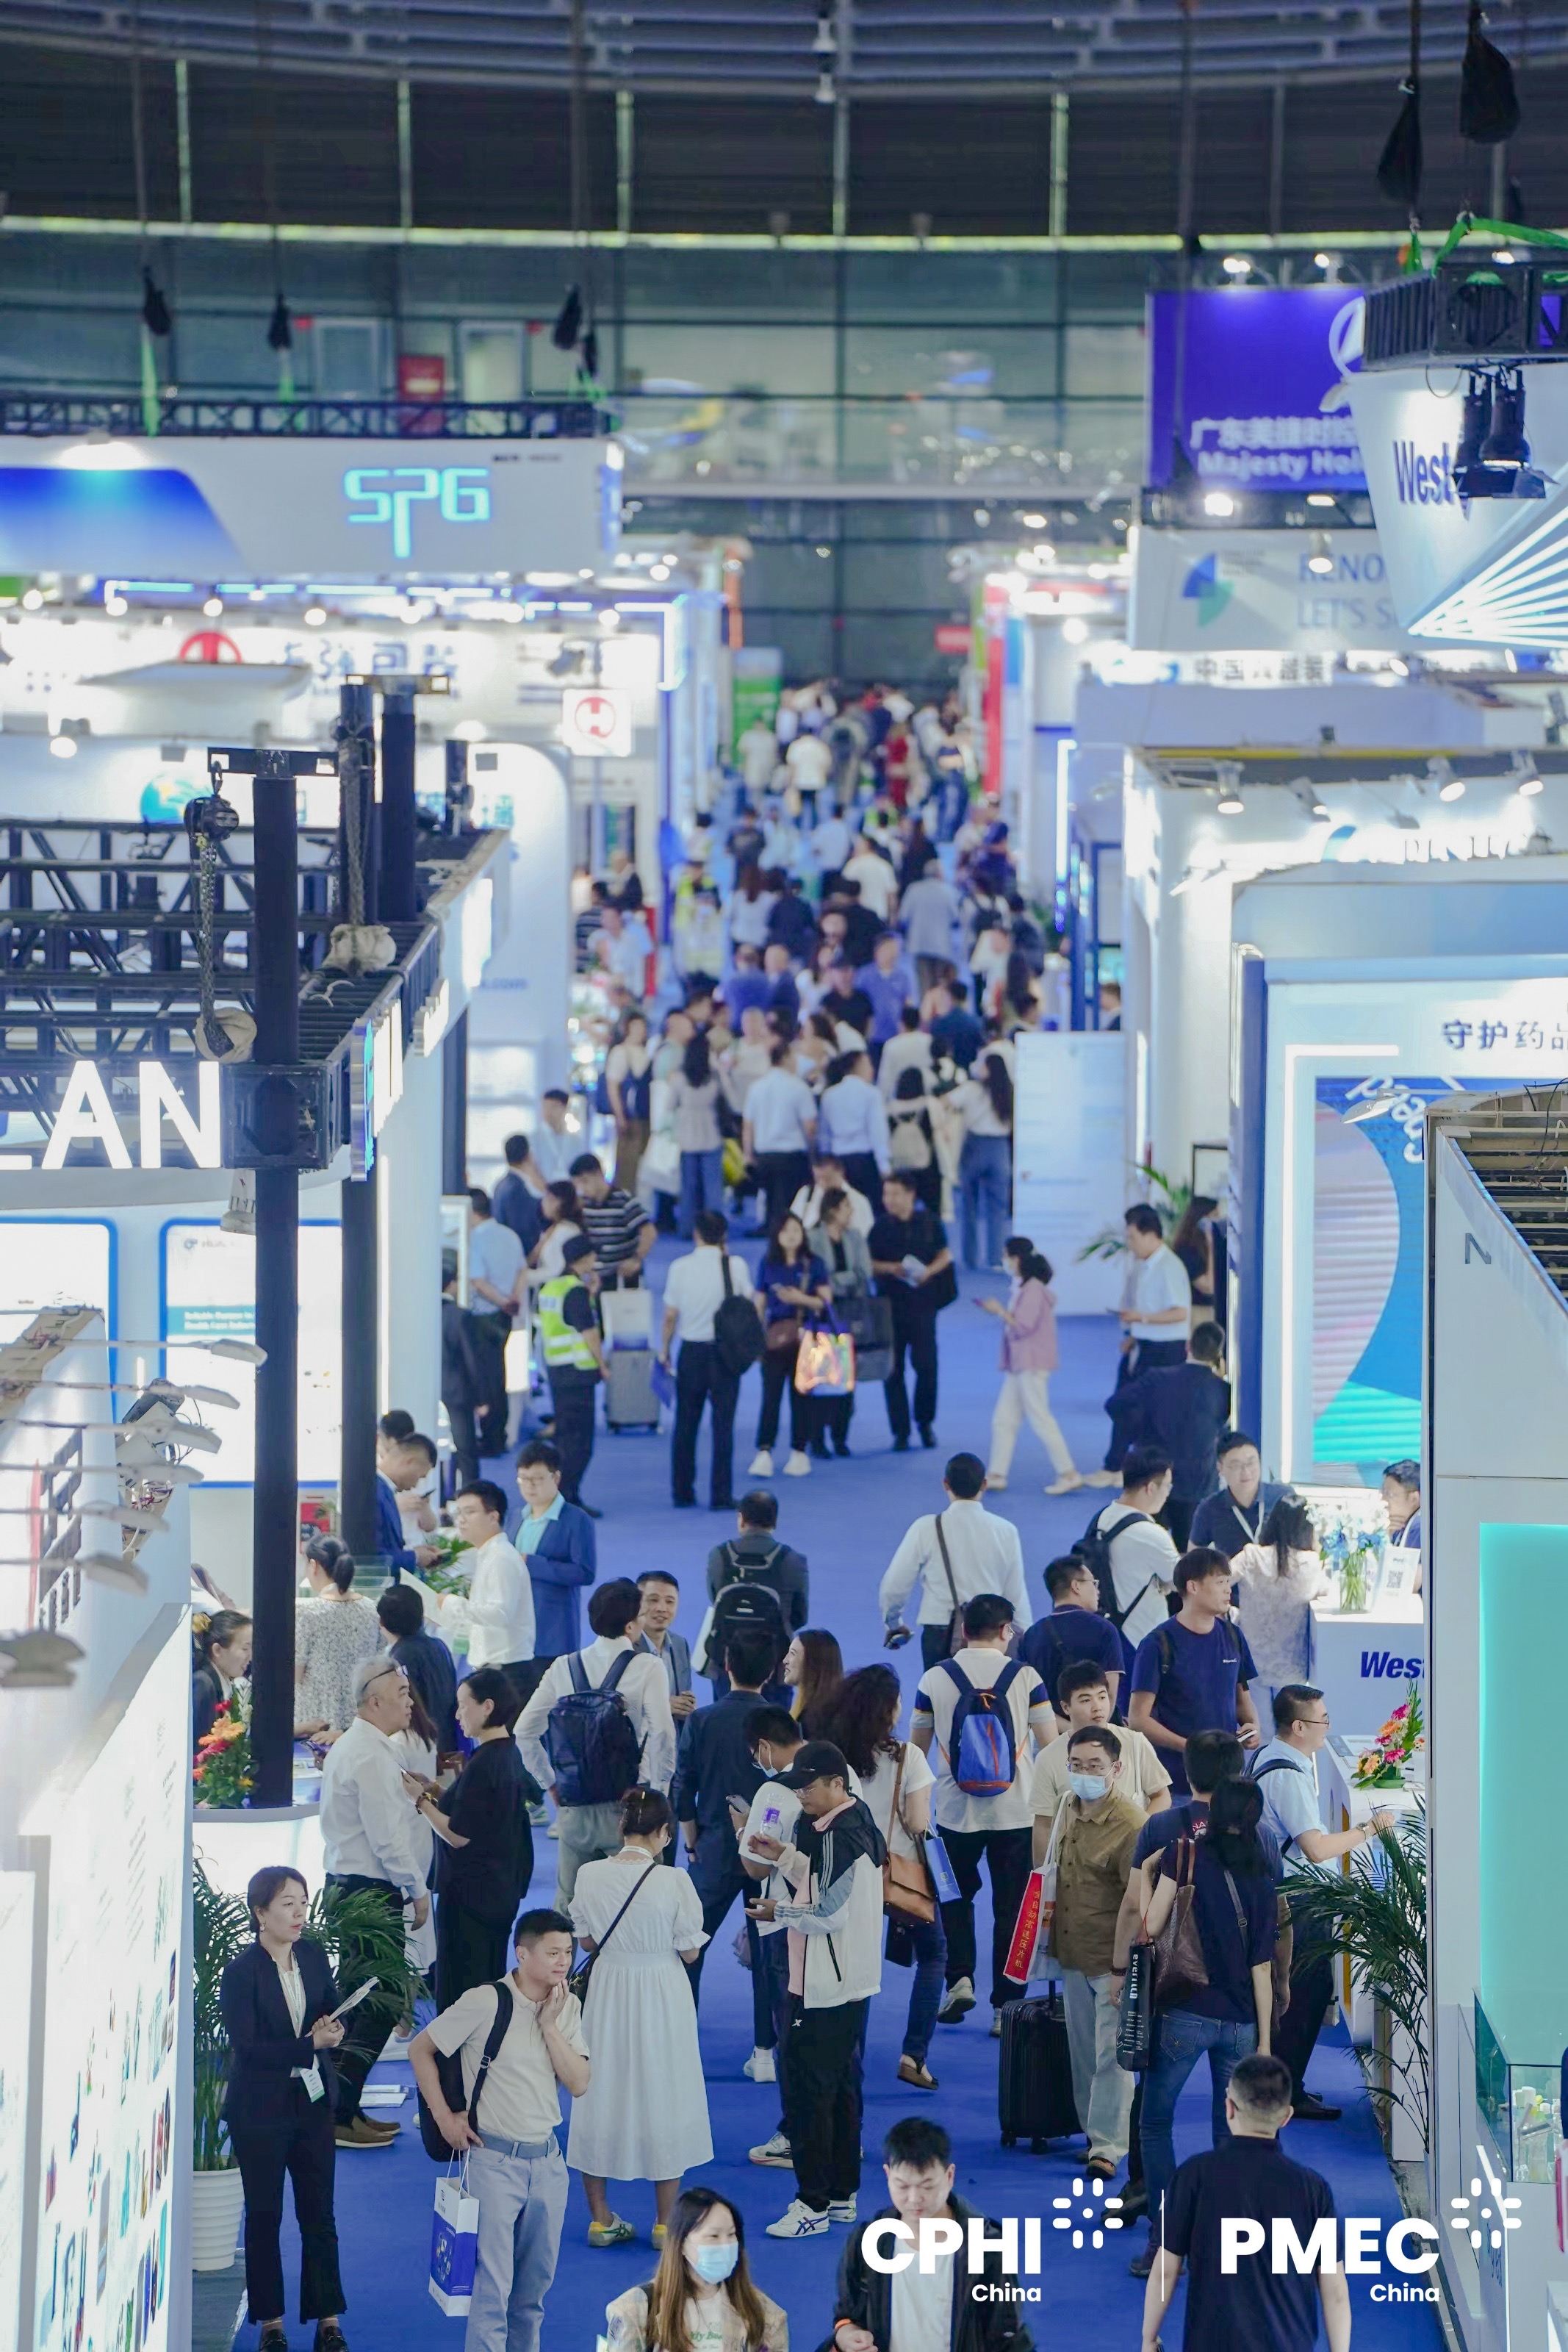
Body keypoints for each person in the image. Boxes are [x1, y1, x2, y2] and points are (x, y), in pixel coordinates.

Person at [411, 1910, 589, 2352]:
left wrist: (549, 2025)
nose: (563, 1962)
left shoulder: (566, 2005)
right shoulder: (484, 2001)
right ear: (522, 1954)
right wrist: (444, 2118)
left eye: (568, 1952)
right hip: (493, 2163)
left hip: (548, 2164)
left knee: (532, 2295)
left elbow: (579, 2083)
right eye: (552, 1953)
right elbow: (420, 2049)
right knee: (492, 2295)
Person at [1129, 1777, 1280, 2277]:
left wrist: (1147, 1873)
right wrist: (1263, 2040)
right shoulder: (1262, 1876)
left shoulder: (1183, 1856)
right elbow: (1263, 1966)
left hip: (1184, 2013)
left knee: (1155, 2123)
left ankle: (1164, 2240)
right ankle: (1225, 2242)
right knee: (1230, 2133)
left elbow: (1150, 1927)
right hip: (1240, 2023)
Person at [744, 1740, 886, 2239]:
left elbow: (827, 1913)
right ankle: (842, 2195)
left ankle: (811, 2204)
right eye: (797, 1785)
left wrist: (776, 1911)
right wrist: (785, 1856)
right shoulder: (853, 1821)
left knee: (808, 2095)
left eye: (809, 1786)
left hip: (823, 1985)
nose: (801, 1794)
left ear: (836, 1784)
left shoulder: (836, 1836)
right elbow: (829, 1882)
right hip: (849, 1981)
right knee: (842, 2089)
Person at [566, 1788, 712, 2245]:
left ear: (621, 1826)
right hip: (661, 1991)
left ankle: (600, 2219)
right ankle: (665, 2223)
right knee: (664, 2091)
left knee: (598, 2089)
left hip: (609, 1990)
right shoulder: (674, 1881)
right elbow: (690, 1951)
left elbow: (587, 1942)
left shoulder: (590, 1874)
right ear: (664, 1832)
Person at [1139, 2052, 1351, 2352]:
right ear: (1286, 2117)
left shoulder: (1192, 2176)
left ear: (1228, 2107)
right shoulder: (1314, 2189)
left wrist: (1149, 2338)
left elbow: (1165, 2271)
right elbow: (1335, 2289)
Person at [1250, 1685, 1395, 2123]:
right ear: (1299, 1726)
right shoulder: (1288, 1776)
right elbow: (1314, 1848)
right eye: (1323, 1720)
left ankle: (1281, 2086)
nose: (1328, 1727)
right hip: (1297, 1898)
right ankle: (1285, 2091)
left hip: (1285, 1893)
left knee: (1297, 1992)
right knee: (1304, 1994)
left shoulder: (1270, 1756)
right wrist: (1369, 1830)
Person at [220, 1865, 349, 2352]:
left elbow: (330, 2005)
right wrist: (308, 2044)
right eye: (288, 1904)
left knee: (320, 2215)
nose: (300, 1914)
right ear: (261, 1913)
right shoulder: (241, 1973)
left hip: (312, 2105)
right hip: (260, 2110)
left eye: (303, 1903)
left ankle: (328, 2321)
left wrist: (334, 2029)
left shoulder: (312, 1955)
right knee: (264, 2216)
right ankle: (270, 2324)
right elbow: (248, 2050)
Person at [912, 1593, 1053, 2032]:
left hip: (955, 1812)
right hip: (1017, 1813)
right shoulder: (1026, 1676)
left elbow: (916, 1753)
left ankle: (960, 1978)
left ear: (963, 1630)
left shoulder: (935, 1678)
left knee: (954, 1898)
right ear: (1007, 1631)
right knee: (1012, 1909)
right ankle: (1004, 2008)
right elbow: (1050, 1746)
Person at [318, 1655, 428, 2148]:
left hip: (352, 1887)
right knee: (378, 2002)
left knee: (363, 1999)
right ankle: (339, 2113)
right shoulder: (369, 1754)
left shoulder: (360, 1746)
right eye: (402, 1694)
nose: (411, 1702)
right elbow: (387, 1838)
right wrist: (417, 1889)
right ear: (375, 1700)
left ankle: (344, 2106)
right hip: (367, 1891)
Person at [820, 1665, 945, 2092]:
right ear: (889, 1710)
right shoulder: (908, 1757)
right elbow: (918, 1822)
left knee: (855, 1967)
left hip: (844, 1874)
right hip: (900, 1876)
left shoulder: (832, 1756)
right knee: (934, 1954)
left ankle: (849, 2055)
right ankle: (914, 2056)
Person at [517, 1580, 678, 1902]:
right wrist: (657, 1792)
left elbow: (524, 1732)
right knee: (640, 1904)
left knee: (570, 1908)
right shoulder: (648, 1666)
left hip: (575, 1805)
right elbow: (662, 1732)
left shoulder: (563, 1666)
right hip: (630, 1805)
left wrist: (551, 1783)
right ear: (631, 1626)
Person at [827, 2116, 1034, 2352]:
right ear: (887, 2176)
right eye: (902, 2186)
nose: (914, 2199)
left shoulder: (987, 2246)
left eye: (927, 2186)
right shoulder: (867, 2241)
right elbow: (847, 2314)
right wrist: (846, 2334)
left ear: (949, 2176)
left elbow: (1006, 2332)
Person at [1040, 1726, 1143, 2179]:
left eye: (1094, 1766)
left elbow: (1136, 1904)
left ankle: (1108, 2145)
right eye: (1076, 1765)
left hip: (1111, 1958)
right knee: (1082, 2050)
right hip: (1071, 1951)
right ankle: (1091, 2131)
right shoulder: (1067, 1805)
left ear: (1116, 1769)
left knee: (1111, 2055)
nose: (1084, 1773)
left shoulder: (1132, 1825)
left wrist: (1124, 1967)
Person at [407, 1665, 537, 2007]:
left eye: (463, 1706)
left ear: (487, 1707)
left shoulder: (485, 1763)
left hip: (471, 1896)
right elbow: (480, 1811)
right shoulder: (507, 1752)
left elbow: (458, 1835)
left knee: (462, 1987)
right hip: (498, 1890)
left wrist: (419, 1801)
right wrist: (437, 1792)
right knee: (486, 1980)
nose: (457, 1715)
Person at [672, 1630, 774, 2018]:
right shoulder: (780, 1723)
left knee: (688, 1947)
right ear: (770, 1673)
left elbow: (683, 1787)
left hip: (713, 1849)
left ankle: (682, 2036)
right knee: (768, 1953)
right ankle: (765, 2043)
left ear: (726, 1667)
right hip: (767, 1852)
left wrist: (692, 1843)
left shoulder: (702, 1719)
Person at [1129, 1546, 1261, 1796]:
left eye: (1228, 1582)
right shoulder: (1158, 1644)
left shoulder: (1233, 1636)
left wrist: (1252, 1726)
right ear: (1193, 1587)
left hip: (1228, 1780)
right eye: (1220, 1582)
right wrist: (1191, 1747)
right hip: (1175, 1783)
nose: (1228, 1589)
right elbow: (1138, 1719)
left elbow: (1242, 1700)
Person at [880, 1452, 1028, 1668]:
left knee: (939, 1690)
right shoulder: (1006, 1531)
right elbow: (1016, 1593)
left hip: (940, 1632)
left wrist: (894, 1624)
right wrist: (1024, 1640)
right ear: (984, 1484)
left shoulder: (925, 1528)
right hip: (991, 1633)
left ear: (945, 1484)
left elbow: (895, 1585)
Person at [604, 2185, 787, 2352]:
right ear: (681, 2244)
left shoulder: (766, 2315)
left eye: (731, 2235)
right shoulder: (633, 2311)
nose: (725, 2245)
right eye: (713, 2236)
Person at [658, 1209, 756, 1513]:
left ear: (696, 1233)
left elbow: (670, 1316)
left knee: (686, 1424)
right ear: (724, 1235)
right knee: (723, 1426)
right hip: (725, 1353)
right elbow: (748, 1305)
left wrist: (664, 1350)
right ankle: (721, 1494)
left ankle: (682, 1491)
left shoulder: (680, 1267)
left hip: (691, 1352)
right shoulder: (736, 1266)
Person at [1089, 1205, 1191, 1483]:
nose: (1130, 1244)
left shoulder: (1169, 1267)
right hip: (1144, 1344)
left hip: (1165, 1350)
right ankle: (1116, 1465)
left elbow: (1180, 1313)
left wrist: (1141, 1319)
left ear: (1150, 1235)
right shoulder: (1144, 1266)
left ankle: (1133, 1468)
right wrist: (1134, 1334)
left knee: (1149, 1411)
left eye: (1133, 1238)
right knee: (1123, 1403)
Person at [1107, 1320, 1231, 1548]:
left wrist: (1140, 1435)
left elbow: (1115, 1405)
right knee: (1189, 1555)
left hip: (1154, 1476)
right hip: (1198, 1484)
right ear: (1218, 1354)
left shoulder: (1157, 1378)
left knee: (1148, 1548)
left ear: (1188, 1346)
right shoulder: (1222, 1390)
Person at [980, 1237, 1081, 1495]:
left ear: (1017, 1259)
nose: (1005, 1261)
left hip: (1031, 1364)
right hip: (1021, 1364)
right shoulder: (1025, 1287)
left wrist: (999, 1311)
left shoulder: (1033, 1290)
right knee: (1004, 1419)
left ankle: (1068, 1472)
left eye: (1006, 1256)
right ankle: (997, 1473)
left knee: (1040, 1418)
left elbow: (1023, 1326)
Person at [868, 1172, 954, 1452]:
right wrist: (890, 1268)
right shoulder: (880, 1228)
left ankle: (925, 1423)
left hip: (923, 1306)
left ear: (910, 1195)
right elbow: (868, 1263)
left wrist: (929, 1271)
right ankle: (901, 1431)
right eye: (886, 1194)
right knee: (893, 1370)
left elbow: (945, 1255)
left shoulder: (930, 1223)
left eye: (895, 1194)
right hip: (890, 1308)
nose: (889, 1200)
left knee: (927, 1366)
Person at [511, 1438, 597, 1713]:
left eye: (537, 1479)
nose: (530, 1486)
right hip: (516, 1630)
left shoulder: (576, 1520)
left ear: (556, 1477)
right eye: (523, 1479)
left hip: (553, 1632)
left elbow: (585, 1572)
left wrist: (534, 1564)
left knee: (552, 1710)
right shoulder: (517, 1517)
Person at [1231, 1495, 1331, 1728]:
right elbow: (1328, 1594)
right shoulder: (1311, 1563)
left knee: (1256, 1734)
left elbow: (1220, 1579)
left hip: (1251, 1663)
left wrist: (1233, 1613)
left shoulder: (1252, 1556)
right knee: (1291, 1735)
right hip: (1293, 1668)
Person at [1030, 1661, 1171, 1821]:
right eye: (1086, 1700)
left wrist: (1139, 1831)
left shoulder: (1135, 1743)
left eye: (1102, 1697)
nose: (1097, 1707)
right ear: (1066, 1707)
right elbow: (1044, 1822)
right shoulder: (1048, 1757)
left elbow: (1162, 1796)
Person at [750, 1211, 832, 1480]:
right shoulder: (768, 1263)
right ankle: (765, 1451)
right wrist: (756, 1336)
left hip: (806, 1339)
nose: (791, 1236)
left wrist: (800, 1299)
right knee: (770, 1397)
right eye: (786, 1231)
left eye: (796, 1230)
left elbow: (825, 1302)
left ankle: (799, 1451)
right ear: (777, 1235)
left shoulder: (814, 1263)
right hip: (774, 1339)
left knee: (802, 1397)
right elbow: (759, 1302)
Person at [704, 1489, 809, 1693]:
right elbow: (799, 1616)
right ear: (774, 1521)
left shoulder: (719, 1556)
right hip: (775, 1664)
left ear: (741, 1519)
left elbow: (715, 1598)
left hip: (726, 1662)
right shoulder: (793, 1560)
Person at [1083, 1442, 1180, 1657]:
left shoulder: (1101, 1519)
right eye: (1167, 1486)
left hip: (1106, 1637)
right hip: (1142, 1643)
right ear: (1151, 1488)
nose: (1168, 1494)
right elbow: (1182, 1581)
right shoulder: (1152, 1535)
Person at [439, 1481, 536, 1686]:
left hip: (505, 1671)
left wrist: (452, 1604)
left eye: (470, 1512)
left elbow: (500, 1614)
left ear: (493, 1516)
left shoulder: (501, 1558)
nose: (461, 1520)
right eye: (459, 1513)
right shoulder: (490, 1554)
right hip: (496, 1667)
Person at [536, 1233, 605, 1511]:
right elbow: (589, 1332)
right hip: (578, 1374)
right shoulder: (575, 1291)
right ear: (584, 1258)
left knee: (565, 1437)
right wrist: (603, 1365)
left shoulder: (551, 1288)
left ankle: (562, 1496)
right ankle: (568, 1497)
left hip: (557, 1371)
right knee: (580, 1442)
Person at [295, 1536, 381, 1740]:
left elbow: (296, 1674)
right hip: (360, 1724)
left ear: (314, 1565)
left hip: (316, 1725)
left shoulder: (307, 1613)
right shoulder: (371, 1609)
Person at [1020, 1561, 1129, 1721]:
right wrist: (1091, 1730)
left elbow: (1030, 1701)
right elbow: (1110, 1695)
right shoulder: (1104, 1629)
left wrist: (1068, 1730)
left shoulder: (1031, 1635)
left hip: (1050, 1733)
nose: (1098, 1591)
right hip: (1098, 1730)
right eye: (1094, 1583)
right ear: (1076, 1586)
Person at [812, 1185, 874, 1459]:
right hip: (821, 1315)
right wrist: (843, 1280)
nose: (851, 1212)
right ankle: (817, 1437)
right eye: (847, 1207)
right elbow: (817, 1276)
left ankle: (840, 1436)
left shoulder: (856, 1237)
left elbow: (864, 1273)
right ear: (833, 1210)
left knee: (846, 1377)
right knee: (819, 1376)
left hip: (849, 1314)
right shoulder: (812, 1238)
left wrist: (835, 1281)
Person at [467, 1186, 526, 1458]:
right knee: (499, 1375)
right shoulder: (510, 1235)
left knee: (484, 1378)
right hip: (506, 1314)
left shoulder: (475, 1239)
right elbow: (522, 1271)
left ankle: (489, 1437)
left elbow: (478, 1281)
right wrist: (513, 1299)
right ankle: (498, 1434)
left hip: (483, 1314)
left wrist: (501, 1301)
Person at [742, 1041, 819, 1233]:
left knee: (770, 1196)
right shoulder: (798, 1087)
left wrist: (748, 1154)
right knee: (789, 1201)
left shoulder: (756, 1087)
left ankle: (770, 1227)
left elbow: (748, 1125)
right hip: (791, 1153)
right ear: (785, 1058)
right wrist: (813, 1153)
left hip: (764, 1153)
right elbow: (810, 1127)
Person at [375, 1582, 460, 1758]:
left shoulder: (399, 1659)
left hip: (419, 1748)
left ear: (382, 1622)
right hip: (447, 1742)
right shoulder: (439, 1646)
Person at [952, 1048, 1013, 1273]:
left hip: (974, 1146)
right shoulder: (1009, 1091)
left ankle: (970, 1258)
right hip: (1000, 1148)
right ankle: (995, 1258)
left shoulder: (971, 1089)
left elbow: (947, 1102)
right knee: (998, 1207)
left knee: (969, 1205)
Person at [1189, 1430, 1287, 1560]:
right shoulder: (1209, 1509)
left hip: (1279, 1572)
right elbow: (1193, 1560)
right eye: (1236, 1466)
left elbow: (1306, 1546)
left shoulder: (1283, 1497)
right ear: (1220, 1468)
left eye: (1251, 1463)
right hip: (1232, 1572)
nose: (1246, 1472)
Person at [666, 1027, 725, 1240]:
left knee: (688, 1188)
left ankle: (688, 1228)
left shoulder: (680, 1078)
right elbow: (729, 1099)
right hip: (712, 1136)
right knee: (713, 1188)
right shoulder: (714, 1077)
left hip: (687, 1138)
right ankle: (715, 1230)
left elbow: (669, 1105)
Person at [816, 1049, 891, 1205]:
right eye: (868, 1064)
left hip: (838, 1159)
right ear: (859, 1065)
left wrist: (826, 1160)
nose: (872, 1070)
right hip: (865, 1158)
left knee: (843, 1204)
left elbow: (824, 1134)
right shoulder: (871, 1094)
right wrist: (884, 1165)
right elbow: (877, 1132)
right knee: (869, 1206)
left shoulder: (829, 1095)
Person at [572, 1155, 657, 1288]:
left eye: (585, 1181)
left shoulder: (623, 1201)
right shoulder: (583, 1205)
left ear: (599, 1174)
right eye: (578, 1184)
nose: (582, 1188)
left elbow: (649, 1232)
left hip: (623, 1276)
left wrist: (636, 1259)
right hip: (595, 1276)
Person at [899, 859, 961, 997]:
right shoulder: (948, 891)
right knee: (941, 984)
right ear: (940, 874)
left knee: (924, 984)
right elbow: (956, 917)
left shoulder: (914, 889)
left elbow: (903, 916)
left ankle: (926, 1008)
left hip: (919, 943)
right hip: (941, 945)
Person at [193, 1607, 252, 1744]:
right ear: (218, 1650)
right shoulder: (203, 1684)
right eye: (245, 1649)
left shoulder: (224, 1683)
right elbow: (198, 1748)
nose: (250, 1658)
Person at [855, 931, 916, 1057]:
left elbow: (908, 1003)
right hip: (872, 1035)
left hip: (895, 1035)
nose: (893, 953)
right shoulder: (864, 975)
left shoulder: (902, 977)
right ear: (878, 950)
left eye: (896, 949)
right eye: (889, 948)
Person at [792, 1150, 874, 1238]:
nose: (822, 1184)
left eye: (827, 1179)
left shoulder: (858, 1201)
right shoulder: (806, 1194)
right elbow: (793, 1224)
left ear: (840, 1173)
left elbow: (864, 1233)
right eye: (818, 1179)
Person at [492, 1133, 547, 1259]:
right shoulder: (517, 1189)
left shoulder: (501, 1184)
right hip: (520, 1257)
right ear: (529, 1155)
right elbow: (523, 1229)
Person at [782, 1627, 844, 1738]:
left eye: (793, 1654)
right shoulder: (810, 1713)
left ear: (812, 1662)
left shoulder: (817, 1722)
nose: (785, 1661)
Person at [1170, 1192, 1218, 1311]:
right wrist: (1212, 1245)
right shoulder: (1187, 1251)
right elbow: (1209, 1287)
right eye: (1214, 1216)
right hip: (1198, 1310)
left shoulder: (1204, 1248)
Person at [929, 976, 982, 1072]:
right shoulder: (976, 1024)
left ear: (951, 997)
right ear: (965, 998)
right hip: (968, 1073)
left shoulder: (938, 1024)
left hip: (945, 1073)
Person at [534, 1087, 579, 1186]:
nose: (548, 1112)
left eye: (553, 1107)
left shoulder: (576, 1141)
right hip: (544, 1190)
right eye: (545, 1107)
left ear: (565, 1108)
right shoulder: (534, 1139)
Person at [1383, 1456, 1423, 1551]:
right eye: (1383, 1493)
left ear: (1414, 1499)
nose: (1384, 1501)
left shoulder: (1419, 1528)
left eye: (1390, 1495)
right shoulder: (1398, 1528)